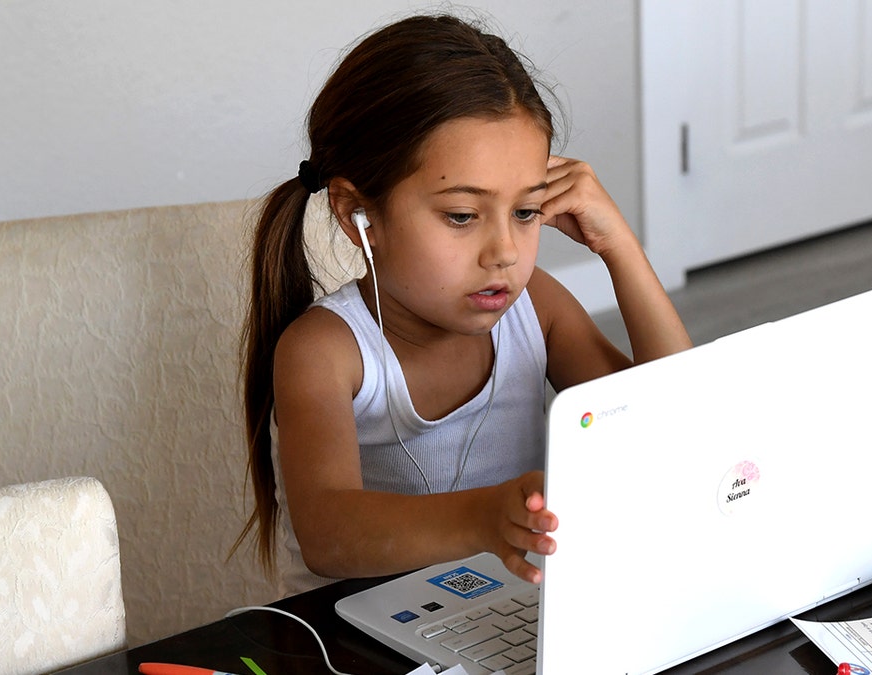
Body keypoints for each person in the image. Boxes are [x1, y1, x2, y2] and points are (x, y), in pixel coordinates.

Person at [237, 12, 692, 595]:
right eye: (461, 215)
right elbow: (328, 535)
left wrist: (620, 247)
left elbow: (674, 428)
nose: (504, 252)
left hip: (511, 612)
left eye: (525, 212)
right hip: (349, 632)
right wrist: (483, 517)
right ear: (358, 214)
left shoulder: (537, 309)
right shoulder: (325, 350)